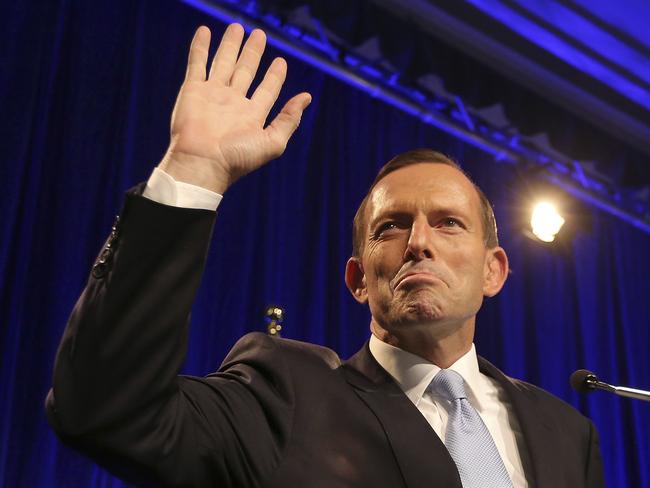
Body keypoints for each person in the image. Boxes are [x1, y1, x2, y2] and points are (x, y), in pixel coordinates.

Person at [46, 24, 604, 487]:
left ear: (494, 270)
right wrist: (192, 172)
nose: (419, 242)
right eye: (392, 227)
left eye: (449, 223)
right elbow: (104, 410)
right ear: (358, 279)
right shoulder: (286, 396)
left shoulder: (564, 433)